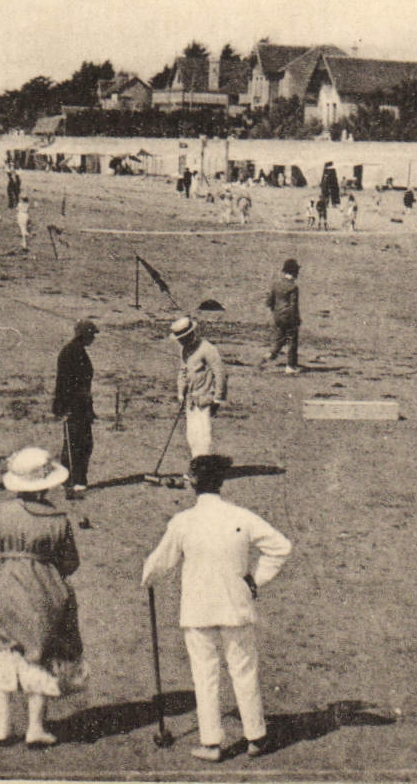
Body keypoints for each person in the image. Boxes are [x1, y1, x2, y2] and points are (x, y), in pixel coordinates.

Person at [142, 453, 292, 763]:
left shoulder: (183, 521)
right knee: (244, 669)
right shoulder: (241, 516)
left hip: (198, 609)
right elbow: (281, 547)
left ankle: (211, 743)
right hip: (236, 604)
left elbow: (159, 564)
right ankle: (256, 737)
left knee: (205, 674)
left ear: (193, 483)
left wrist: (148, 578)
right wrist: (256, 579)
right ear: (221, 482)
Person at [0, 447, 85, 749]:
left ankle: (3, 725)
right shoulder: (58, 519)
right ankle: (35, 727)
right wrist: (49, 568)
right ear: (47, 484)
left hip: (5, 585)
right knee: (40, 653)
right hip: (44, 589)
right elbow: (71, 562)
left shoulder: (2, 512)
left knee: (5, 652)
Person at [53, 319, 99, 496]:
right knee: (76, 443)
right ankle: (71, 480)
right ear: (84, 335)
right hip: (73, 406)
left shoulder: (77, 351)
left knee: (82, 442)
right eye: (92, 335)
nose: (93, 338)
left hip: (81, 406)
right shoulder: (71, 353)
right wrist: (63, 408)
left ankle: (76, 479)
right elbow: (63, 383)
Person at [173, 316, 227, 459]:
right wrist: (180, 394)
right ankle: (196, 465)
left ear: (191, 334)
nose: (181, 341)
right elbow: (183, 372)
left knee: (203, 436)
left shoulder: (207, 348)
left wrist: (218, 398)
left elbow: (220, 373)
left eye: (183, 338)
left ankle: (202, 469)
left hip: (205, 398)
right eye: (179, 339)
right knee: (192, 436)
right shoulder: (185, 351)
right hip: (190, 400)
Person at [262, 259, 301, 374]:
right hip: (289, 316)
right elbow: (294, 305)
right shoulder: (293, 287)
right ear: (295, 273)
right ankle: (290, 366)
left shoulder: (276, 285)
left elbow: (269, 302)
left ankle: (271, 354)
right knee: (292, 340)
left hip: (277, 316)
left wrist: (276, 312)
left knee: (280, 337)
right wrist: (297, 319)